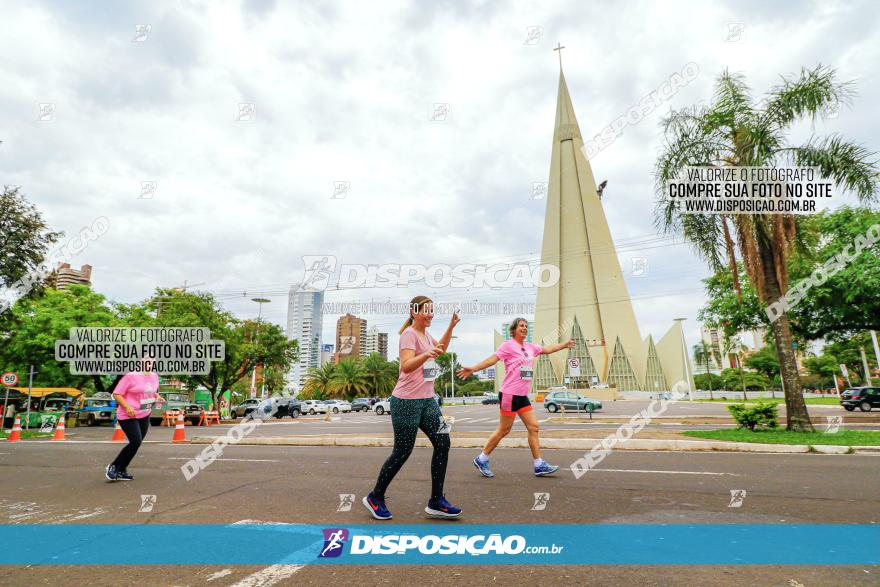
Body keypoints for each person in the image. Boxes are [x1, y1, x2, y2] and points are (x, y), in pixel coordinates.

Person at [363, 295, 461, 520]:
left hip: (429, 400)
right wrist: (427, 354)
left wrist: (450, 326)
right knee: (403, 451)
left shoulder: (425, 334)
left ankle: (437, 500)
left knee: (444, 442)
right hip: (406, 401)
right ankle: (375, 497)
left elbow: (441, 348)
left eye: (432, 310)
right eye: (426, 310)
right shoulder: (408, 334)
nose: (430, 314)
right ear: (414, 312)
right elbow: (406, 367)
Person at [458, 317, 575, 478]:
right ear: (513, 330)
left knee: (533, 427)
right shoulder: (507, 345)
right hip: (509, 394)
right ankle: (482, 458)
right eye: (521, 326)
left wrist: (564, 345)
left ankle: (539, 465)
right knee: (504, 430)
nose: (524, 328)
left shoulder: (530, 347)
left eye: (526, 326)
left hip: (522, 396)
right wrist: (474, 368)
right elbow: (492, 359)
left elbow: (547, 349)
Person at [106, 359, 163, 481]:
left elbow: (153, 392)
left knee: (136, 443)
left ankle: (122, 470)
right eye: (147, 360)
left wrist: (158, 397)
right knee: (135, 441)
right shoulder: (131, 376)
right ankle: (114, 466)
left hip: (144, 413)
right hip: (128, 415)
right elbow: (116, 394)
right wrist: (127, 407)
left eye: (152, 361)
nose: (150, 363)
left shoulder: (154, 376)